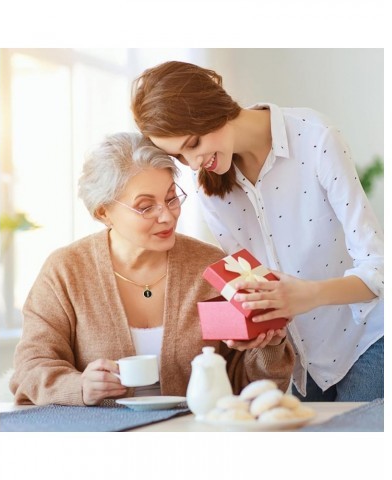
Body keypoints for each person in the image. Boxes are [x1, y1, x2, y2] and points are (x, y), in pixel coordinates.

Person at [130, 61, 384, 402]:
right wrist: (256, 325)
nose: (193, 163)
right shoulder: (209, 189)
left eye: (193, 143)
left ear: (212, 108)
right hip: (300, 365)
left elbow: (378, 269)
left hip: (366, 342)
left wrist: (307, 295)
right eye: (180, 156)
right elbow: (253, 283)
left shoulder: (314, 137)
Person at [10, 132, 294, 406]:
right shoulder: (65, 270)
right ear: (103, 212)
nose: (167, 215)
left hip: (190, 434)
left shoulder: (211, 267)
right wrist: (79, 386)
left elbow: (247, 387)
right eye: (146, 207)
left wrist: (269, 343)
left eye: (171, 198)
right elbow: (30, 369)